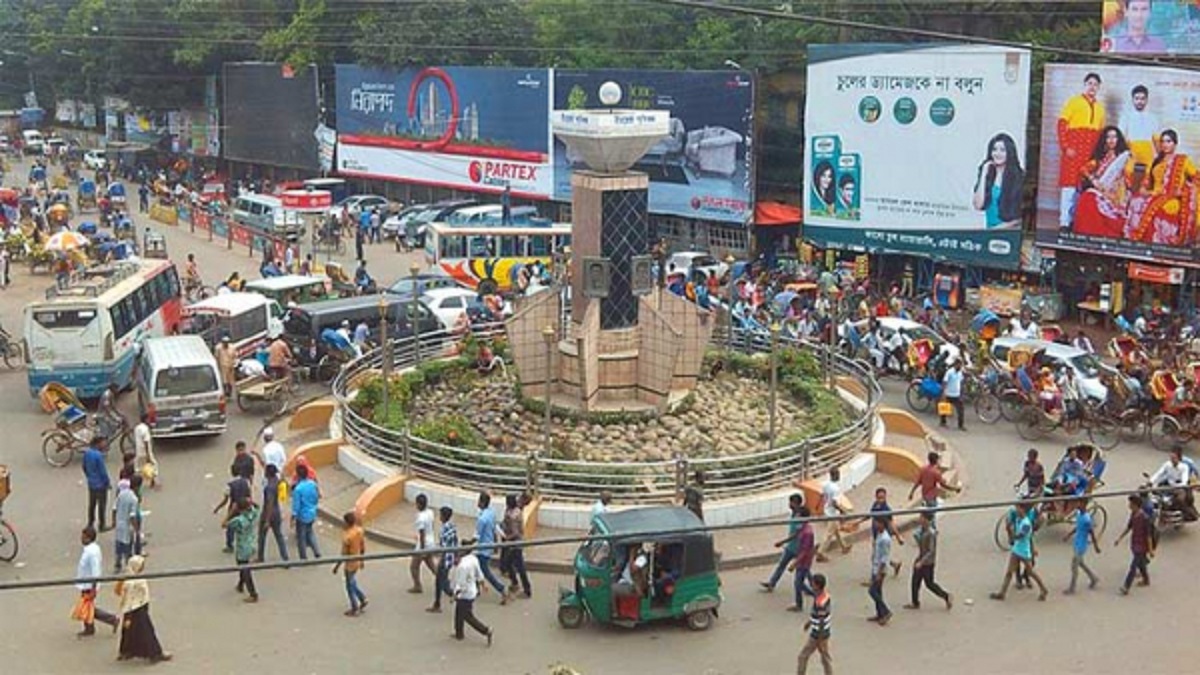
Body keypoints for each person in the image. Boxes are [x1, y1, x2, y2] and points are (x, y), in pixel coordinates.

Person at [1126, 129, 1200, 246]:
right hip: (1155, 194)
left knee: (1161, 208)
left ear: (1175, 144)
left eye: (1168, 141)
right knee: (1136, 200)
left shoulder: (1183, 160)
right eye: (1163, 141)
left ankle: (1157, 243)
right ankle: (1138, 243)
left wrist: (1184, 191)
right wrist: (1144, 190)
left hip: (1172, 198)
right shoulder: (1156, 162)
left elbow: (1197, 178)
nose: (1165, 144)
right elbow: (1146, 183)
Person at [1057, 72, 1106, 229]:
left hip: (1089, 153)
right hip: (1073, 151)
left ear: (1099, 87)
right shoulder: (1074, 102)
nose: (1092, 87)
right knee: (1069, 187)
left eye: (1095, 84)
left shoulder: (1100, 108)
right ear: (1084, 85)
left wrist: (1097, 155)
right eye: (1090, 83)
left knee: (1083, 187)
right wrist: (1066, 147)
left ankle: (1076, 222)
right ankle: (1064, 222)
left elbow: (1100, 134)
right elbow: (1061, 124)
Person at [1073, 126, 1132, 238]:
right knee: (1087, 197)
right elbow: (1083, 169)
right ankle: (1086, 235)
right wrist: (1093, 180)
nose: (1111, 140)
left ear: (1119, 139)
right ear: (1104, 140)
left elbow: (1129, 179)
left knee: (1089, 197)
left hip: (1116, 194)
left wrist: (1119, 184)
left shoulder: (1125, 157)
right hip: (1100, 190)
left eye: (1114, 137)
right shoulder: (1101, 157)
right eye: (1108, 137)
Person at [115, 556, 171, 662]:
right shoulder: (133, 581)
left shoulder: (129, 577)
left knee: (129, 631)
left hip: (131, 608)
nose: (142, 567)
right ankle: (155, 653)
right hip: (137, 608)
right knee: (147, 631)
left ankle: (127, 651)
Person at [989, 501, 1048, 601]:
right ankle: (1002, 593)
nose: (1016, 510)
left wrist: (1010, 531)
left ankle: (1043, 589)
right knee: (1009, 572)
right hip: (1017, 549)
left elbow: (1019, 536)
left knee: (1030, 572)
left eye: (1018, 508)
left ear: (1023, 510)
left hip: (1023, 551)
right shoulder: (1018, 519)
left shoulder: (1026, 524)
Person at [73, 526, 119, 636]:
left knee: (86, 606)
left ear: (89, 538)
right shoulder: (90, 549)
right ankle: (90, 626)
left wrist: (93, 587)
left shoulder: (91, 553)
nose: (81, 539)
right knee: (87, 606)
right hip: (86, 583)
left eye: (83, 537)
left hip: (89, 585)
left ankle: (110, 620)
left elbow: (95, 571)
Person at [972, 132, 1025, 228]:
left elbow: (1021, 217)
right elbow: (978, 205)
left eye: (1002, 150)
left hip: (1009, 231)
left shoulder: (1018, 176)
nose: (997, 153)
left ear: (1009, 152)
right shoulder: (988, 173)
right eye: (994, 149)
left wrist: (998, 229)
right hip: (990, 230)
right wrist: (984, 173)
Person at [904, 510, 952, 610]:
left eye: (922, 517)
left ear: (926, 519)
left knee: (929, 584)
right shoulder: (921, 530)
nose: (920, 519)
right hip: (920, 558)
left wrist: (921, 562)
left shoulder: (931, 533)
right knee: (915, 582)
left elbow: (931, 551)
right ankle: (915, 602)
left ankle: (946, 596)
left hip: (928, 563)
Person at [450, 539, 494, 646]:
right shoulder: (473, 559)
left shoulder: (462, 566)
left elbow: (460, 584)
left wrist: (454, 595)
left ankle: (486, 630)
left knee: (467, 616)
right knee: (458, 613)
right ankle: (459, 633)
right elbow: (479, 573)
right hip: (472, 590)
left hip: (464, 594)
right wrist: (483, 585)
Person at [760, 493, 806, 594]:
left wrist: (782, 542)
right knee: (781, 565)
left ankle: (811, 587)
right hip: (791, 547)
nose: (789, 504)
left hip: (798, 547)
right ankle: (772, 583)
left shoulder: (800, 517)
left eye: (791, 502)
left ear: (796, 503)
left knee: (803, 569)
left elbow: (796, 534)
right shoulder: (794, 514)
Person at [332, 511, 369, 616]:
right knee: (352, 582)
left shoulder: (347, 537)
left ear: (347, 523)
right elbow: (362, 547)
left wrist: (337, 566)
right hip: (357, 560)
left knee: (349, 586)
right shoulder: (359, 531)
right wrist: (362, 560)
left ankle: (355, 608)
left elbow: (343, 554)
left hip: (349, 564)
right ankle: (362, 598)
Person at [1115, 494, 1153, 595]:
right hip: (1135, 544)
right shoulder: (1133, 515)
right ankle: (1146, 580)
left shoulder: (1145, 518)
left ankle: (1126, 587)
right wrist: (1119, 538)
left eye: (1131, 503)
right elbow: (1129, 527)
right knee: (1141, 564)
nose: (1129, 505)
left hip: (1142, 546)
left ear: (1135, 505)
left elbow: (1148, 535)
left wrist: (1150, 550)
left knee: (1133, 566)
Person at [796, 573, 833, 675]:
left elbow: (821, 619)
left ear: (817, 585)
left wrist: (820, 638)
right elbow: (818, 615)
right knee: (825, 658)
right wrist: (810, 622)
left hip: (818, 635)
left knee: (803, 656)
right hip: (824, 632)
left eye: (812, 583)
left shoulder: (820, 602)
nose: (811, 584)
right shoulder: (824, 596)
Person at [224, 497, 260, 603]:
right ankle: (240, 584)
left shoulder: (239, 521)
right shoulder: (253, 513)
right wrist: (251, 502)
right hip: (252, 544)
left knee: (244, 569)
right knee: (243, 566)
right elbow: (257, 507)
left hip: (242, 548)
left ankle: (253, 593)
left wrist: (231, 512)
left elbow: (224, 524)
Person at [474, 492, 508, 603]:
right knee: (476, 567)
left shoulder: (482, 519)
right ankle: (476, 588)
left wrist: (467, 544)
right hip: (488, 546)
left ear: (482, 502)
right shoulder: (491, 513)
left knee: (485, 571)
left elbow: (476, 536)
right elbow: (495, 527)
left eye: (479, 500)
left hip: (482, 548)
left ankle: (501, 589)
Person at [1119, 84, 1161, 170]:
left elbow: (1156, 140)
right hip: (1131, 155)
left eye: (1142, 99)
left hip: (1148, 156)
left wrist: (1160, 158)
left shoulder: (1152, 118)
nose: (1140, 101)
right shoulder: (1126, 117)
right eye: (1137, 98)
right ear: (1132, 100)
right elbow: (1121, 138)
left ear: (1147, 100)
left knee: (1147, 176)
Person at [1149, 447, 1198, 521]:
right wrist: (1151, 481)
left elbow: (1184, 481)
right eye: (1171, 458)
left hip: (1180, 487)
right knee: (1155, 494)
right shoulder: (1167, 464)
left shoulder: (1185, 467)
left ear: (1179, 458)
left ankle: (1187, 514)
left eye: (1174, 458)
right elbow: (1159, 473)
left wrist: (1175, 486)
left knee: (1180, 499)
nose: (1172, 460)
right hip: (1169, 486)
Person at [1062, 500, 1101, 594]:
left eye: (1078, 503)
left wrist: (1096, 546)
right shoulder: (1079, 514)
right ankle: (1093, 578)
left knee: (1074, 566)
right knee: (1081, 563)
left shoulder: (1087, 519)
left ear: (1084, 504)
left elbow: (1091, 533)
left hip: (1081, 545)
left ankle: (1072, 588)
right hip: (1077, 543)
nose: (1077, 504)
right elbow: (1077, 527)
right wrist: (1068, 535)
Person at [213, 463, 251, 554]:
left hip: (234, 508)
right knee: (245, 525)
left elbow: (225, 500)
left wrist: (217, 508)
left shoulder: (230, 485)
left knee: (230, 527)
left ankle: (230, 545)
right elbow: (249, 494)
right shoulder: (246, 482)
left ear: (232, 472)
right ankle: (246, 543)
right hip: (245, 506)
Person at [500, 493, 532, 599]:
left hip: (515, 544)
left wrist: (506, 537)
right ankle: (515, 583)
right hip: (515, 543)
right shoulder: (515, 511)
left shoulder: (513, 516)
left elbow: (515, 533)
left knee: (519, 567)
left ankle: (526, 589)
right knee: (509, 563)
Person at [427, 506, 458, 614]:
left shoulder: (443, 529)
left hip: (445, 559)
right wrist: (456, 556)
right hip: (450, 558)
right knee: (439, 582)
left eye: (440, 515)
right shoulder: (452, 526)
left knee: (442, 583)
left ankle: (456, 597)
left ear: (443, 516)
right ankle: (437, 604)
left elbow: (443, 547)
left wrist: (440, 559)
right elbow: (455, 542)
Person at [816, 468, 852, 561]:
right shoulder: (835, 489)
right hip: (833, 513)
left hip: (827, 510)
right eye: (838, 474)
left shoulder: (826, 484)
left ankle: (844, 546)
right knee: (829, 534)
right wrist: (843, 511)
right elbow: (834, 503)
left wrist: (818, 506)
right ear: (835, 475)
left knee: (836, 530)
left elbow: (822, 495)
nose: (839, 476)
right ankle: (820, 553)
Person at [257, 464, 289, 564]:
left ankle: (260, 557)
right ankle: (285, 558)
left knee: (262, 536)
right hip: (277, 512)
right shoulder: (277, 481)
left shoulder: (269, 487)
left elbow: (269, 503)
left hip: (268, 513)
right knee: (279, 536)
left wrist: (267, 520)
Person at [866, 518, 893, 625]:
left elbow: (884, 558)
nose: (876, 524)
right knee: (878, 591)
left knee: (872, 591)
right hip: (875, 567)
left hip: (880, 569)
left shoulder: (885, 539)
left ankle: (886, 611)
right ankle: (880, 614)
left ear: (882, 524)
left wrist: (879, 573)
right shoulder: (879, 534)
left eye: (877, 523)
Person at [409, 493, 438, 594]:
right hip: (431, 541)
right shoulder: (430, 512)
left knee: (414, 566)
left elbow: (422, 534)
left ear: (419, 504)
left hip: (424, 544)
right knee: (430, 564)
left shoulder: (420, 518)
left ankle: (417, 585)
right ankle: (443, 580)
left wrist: (422, 549)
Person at [292, 464, 321, 560]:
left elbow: (296, 506)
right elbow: (316, 497)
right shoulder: (312, 484)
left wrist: (293, 517)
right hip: (312, 513)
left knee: (301, 537)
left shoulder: (298, 489)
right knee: (310, 532)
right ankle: (317, 551)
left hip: (302, 516)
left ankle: (303, 557)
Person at [82, 434, 111, 531]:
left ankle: (90, 523)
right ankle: (102, 525)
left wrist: (89, 476)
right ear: (98, 443)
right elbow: (103, 472)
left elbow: (84, 467)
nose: (105, 445)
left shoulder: (87, 453)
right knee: (102, 505)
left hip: (91, 484)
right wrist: (107, 483)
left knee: (92, 504)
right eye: (103, 443)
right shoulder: (98, 456)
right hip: (101, 485)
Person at [113, 478, 140, 574]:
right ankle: (128, 566)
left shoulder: (121, 493)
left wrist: (114, 521)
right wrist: (136, 529)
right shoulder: (134, 499)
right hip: (127, 527)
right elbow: (132, 516)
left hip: (119, 524)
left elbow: (114, 508)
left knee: (118, 545)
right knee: (128, 547)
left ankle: (117, 565)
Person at [132, 413, 157, 489]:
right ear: (146, 420)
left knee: (138, 468)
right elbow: (146, 442)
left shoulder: (137, 428)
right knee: (153, 465)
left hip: (138, 451)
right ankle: (152, 481)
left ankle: (136, 482)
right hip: (145, 451)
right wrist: (148, 455)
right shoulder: (145, 429)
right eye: (148, 419)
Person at [940, 360, 965, 430]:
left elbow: (961, 382)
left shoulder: (960, 373)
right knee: (945, 409)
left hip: (957, 395)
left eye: (961, 365)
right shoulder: (949, 372)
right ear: (955, 365)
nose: (960, 366)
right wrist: (943, 393)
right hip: (948, 394)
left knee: (961, 410)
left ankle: (961, 425)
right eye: (959, 365)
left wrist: (962, 393)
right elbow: (944, 382)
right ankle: (943, 422)